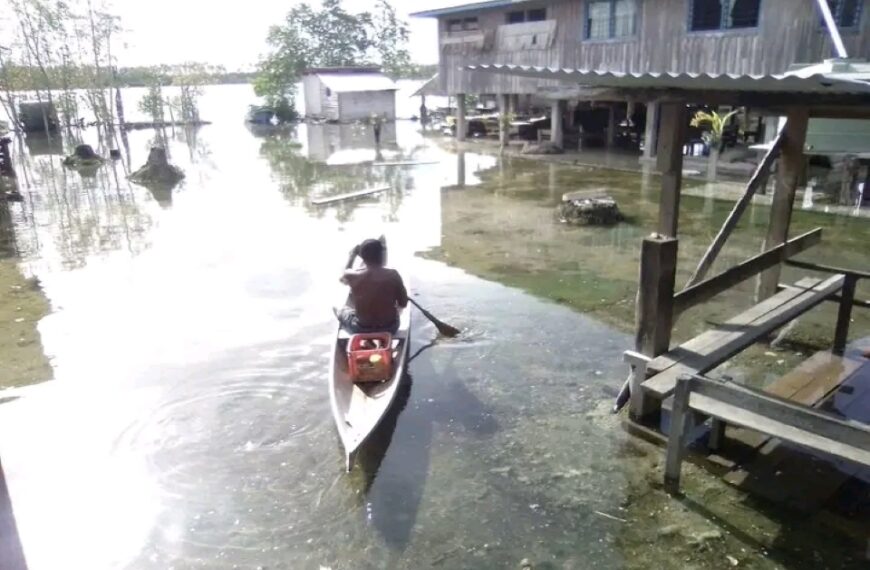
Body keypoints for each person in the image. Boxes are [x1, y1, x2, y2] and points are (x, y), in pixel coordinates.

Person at [337, 238, 408, 333]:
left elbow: (343, 279)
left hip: (360, 328)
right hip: (390, 327)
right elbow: (403, 303)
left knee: (340, 311)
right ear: (382, 256)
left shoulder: (352, 275)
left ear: (362, 256)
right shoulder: (393, 275)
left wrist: (352, 255)